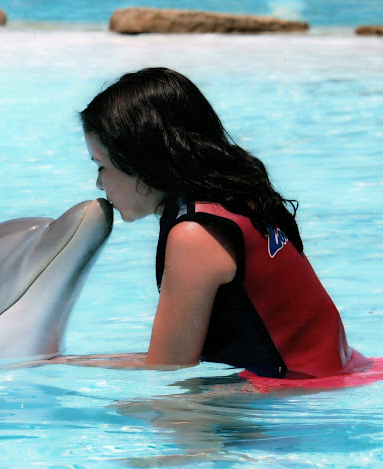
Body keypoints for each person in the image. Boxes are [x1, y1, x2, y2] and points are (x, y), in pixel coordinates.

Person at [59, 67, 375, 380]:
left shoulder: (194, 236)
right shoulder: (235, 198)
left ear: (141, 162)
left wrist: (55, 367)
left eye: (101, 166)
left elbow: (168, 367)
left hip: (299, 398)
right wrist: (66, 362)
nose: (99, 184)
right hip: (342, 374)